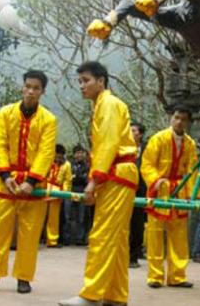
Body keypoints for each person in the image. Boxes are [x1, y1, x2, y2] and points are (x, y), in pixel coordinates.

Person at [0, 70, 57, 294]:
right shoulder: (7, 113)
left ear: (42, 91)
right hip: (6, 181)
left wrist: (32, 180)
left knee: (29, 231)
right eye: (28, 86)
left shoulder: (48, 119)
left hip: (34, 184)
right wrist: (5, 176)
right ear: (22, 86)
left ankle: (23, 277)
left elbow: (46, 152)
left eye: (36, 88)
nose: (30, 91)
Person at [59, 61, 138, 306]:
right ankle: (116, 295)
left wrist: (93, 181)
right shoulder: (103, 104)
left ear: (101, 81)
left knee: (102, 235)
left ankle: (91, 295)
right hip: (118, 173)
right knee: (116, 237)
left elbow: (108, 144)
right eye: (80, 81)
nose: (82, 86)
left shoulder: (110, 105)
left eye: (86, 80)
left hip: (115, 173)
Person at [141, 106, 198, 289]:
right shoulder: (158, 138)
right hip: (160, 190)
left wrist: (191, 193)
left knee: (179, 235)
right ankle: (155, 276)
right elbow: (147, 164)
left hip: (180, 191)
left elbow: (192, 170)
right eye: (176, 117)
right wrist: (156, 181)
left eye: (183, 119)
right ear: (171, 118)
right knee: (155, 234)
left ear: (187, 122)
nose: (179, 121)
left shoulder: (190, 143)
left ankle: (177, 276)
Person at [46, 144, 72, 247]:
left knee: (54, 219)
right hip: (43, 190)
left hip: (57, 193)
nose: (58, 158)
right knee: (38, 216)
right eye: (56, 156)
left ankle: (52, 241)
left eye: (60, 156)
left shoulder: (67, 165)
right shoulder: (47, 161)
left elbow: (67, 180)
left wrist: (65, 193)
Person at [128, 121, 147, 268]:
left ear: (140, 134)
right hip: (125, 188)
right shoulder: (122, 147)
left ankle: (134, 256)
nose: (131, 133)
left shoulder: (147, 148)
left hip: (141, 190)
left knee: (138, 224)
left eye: (134, 131)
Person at [64, 145, 90, 246]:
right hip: (69, 191)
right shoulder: (69, 165)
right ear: (74, 154)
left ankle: (80, 238)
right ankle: (66, 238)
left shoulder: (87, 166)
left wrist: (77, 177)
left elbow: (85, 179)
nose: (79, 155)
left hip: (82, 191)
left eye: (81, 152)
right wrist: (78, 177)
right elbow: (69, 178)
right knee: (67, 216)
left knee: (81, 217)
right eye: (77, 152)